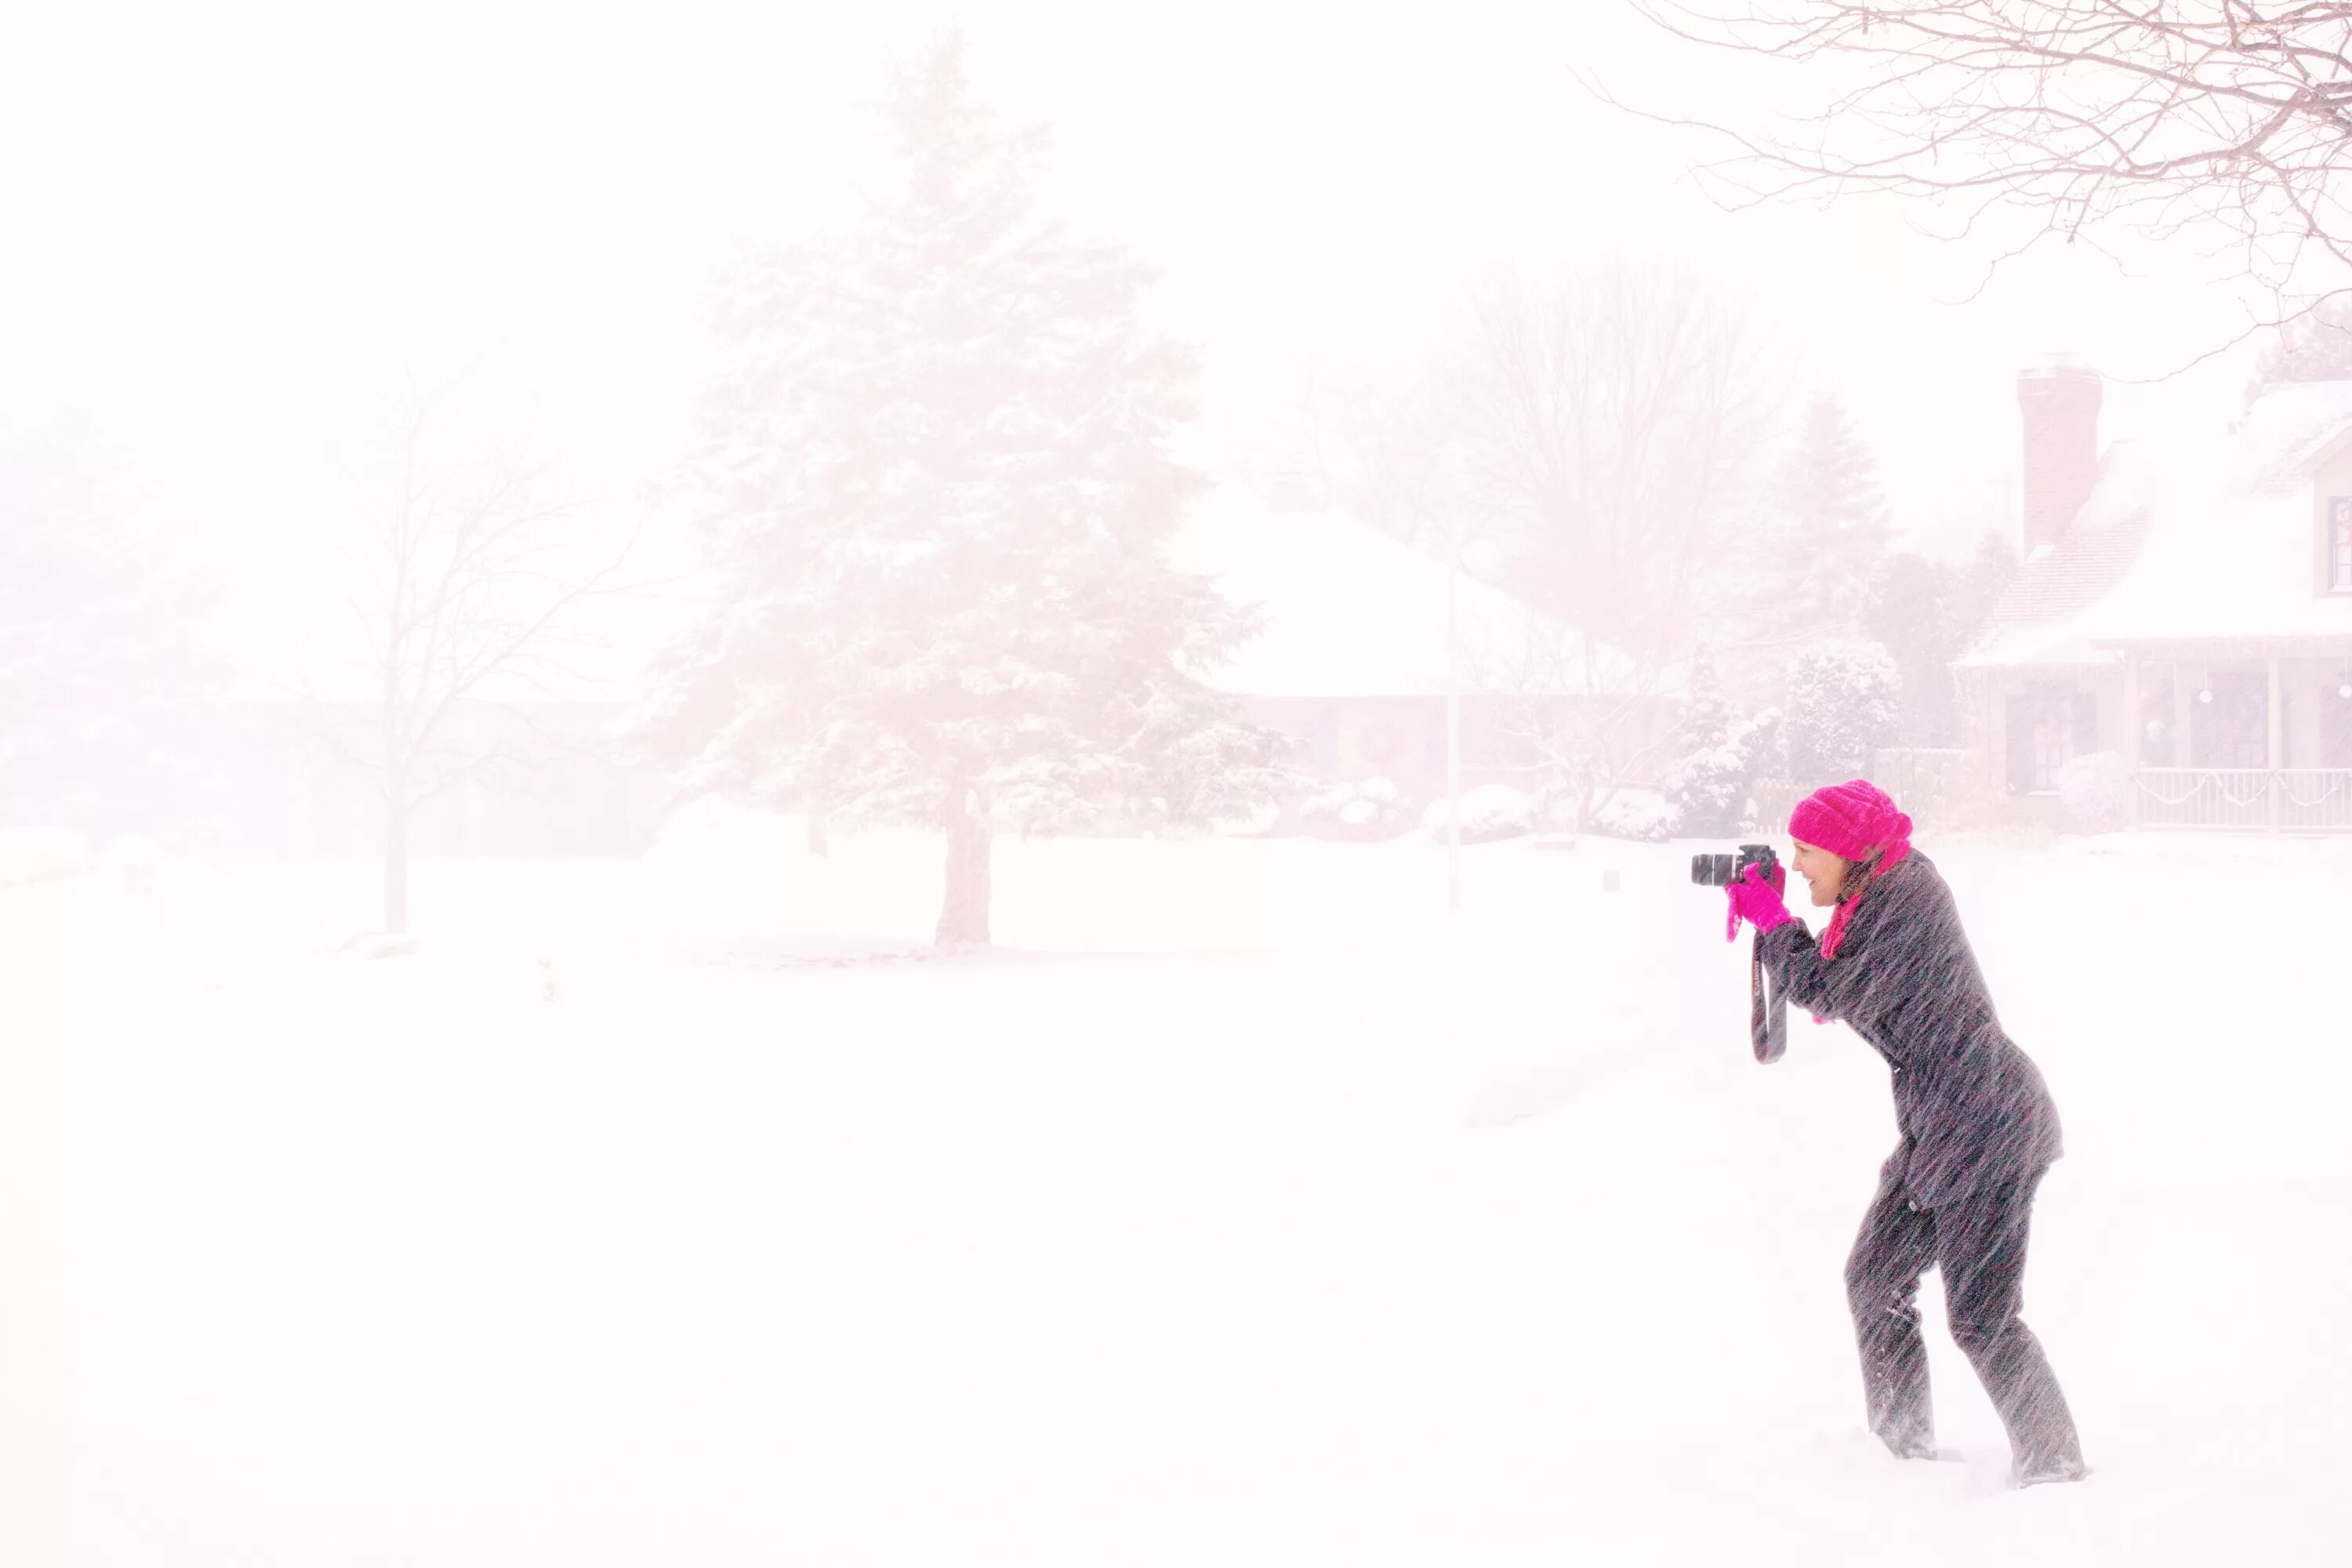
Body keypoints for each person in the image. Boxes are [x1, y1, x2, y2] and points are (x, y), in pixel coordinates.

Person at [1722, 778, 2088, 1488]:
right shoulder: (1879, 891)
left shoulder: (1905, 902)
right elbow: (1835, 983)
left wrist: (1773, 922)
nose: (1797, 865)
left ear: (1849, 851)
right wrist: (1778, 926)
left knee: (1983, 1318)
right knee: (1875, 1277)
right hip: (1943, 1127)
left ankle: (2056, 1470)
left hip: (1987, 1127)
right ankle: (1902, 1454)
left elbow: (1827, 990)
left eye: (1805, 850)